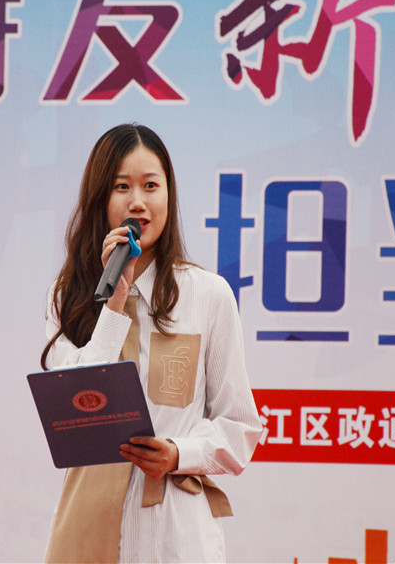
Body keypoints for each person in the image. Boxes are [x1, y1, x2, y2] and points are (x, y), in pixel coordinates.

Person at [40, 123, 261, 563]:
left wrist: (179, 453)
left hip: (176, 531)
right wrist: (114, 301)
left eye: (151, 186)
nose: (137, 201)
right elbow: (78, 406)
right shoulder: (68, 295)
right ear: (100, 198)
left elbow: (240, 429)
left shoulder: (208, 294)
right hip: (89, 521)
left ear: (169, 195)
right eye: (122, 186)